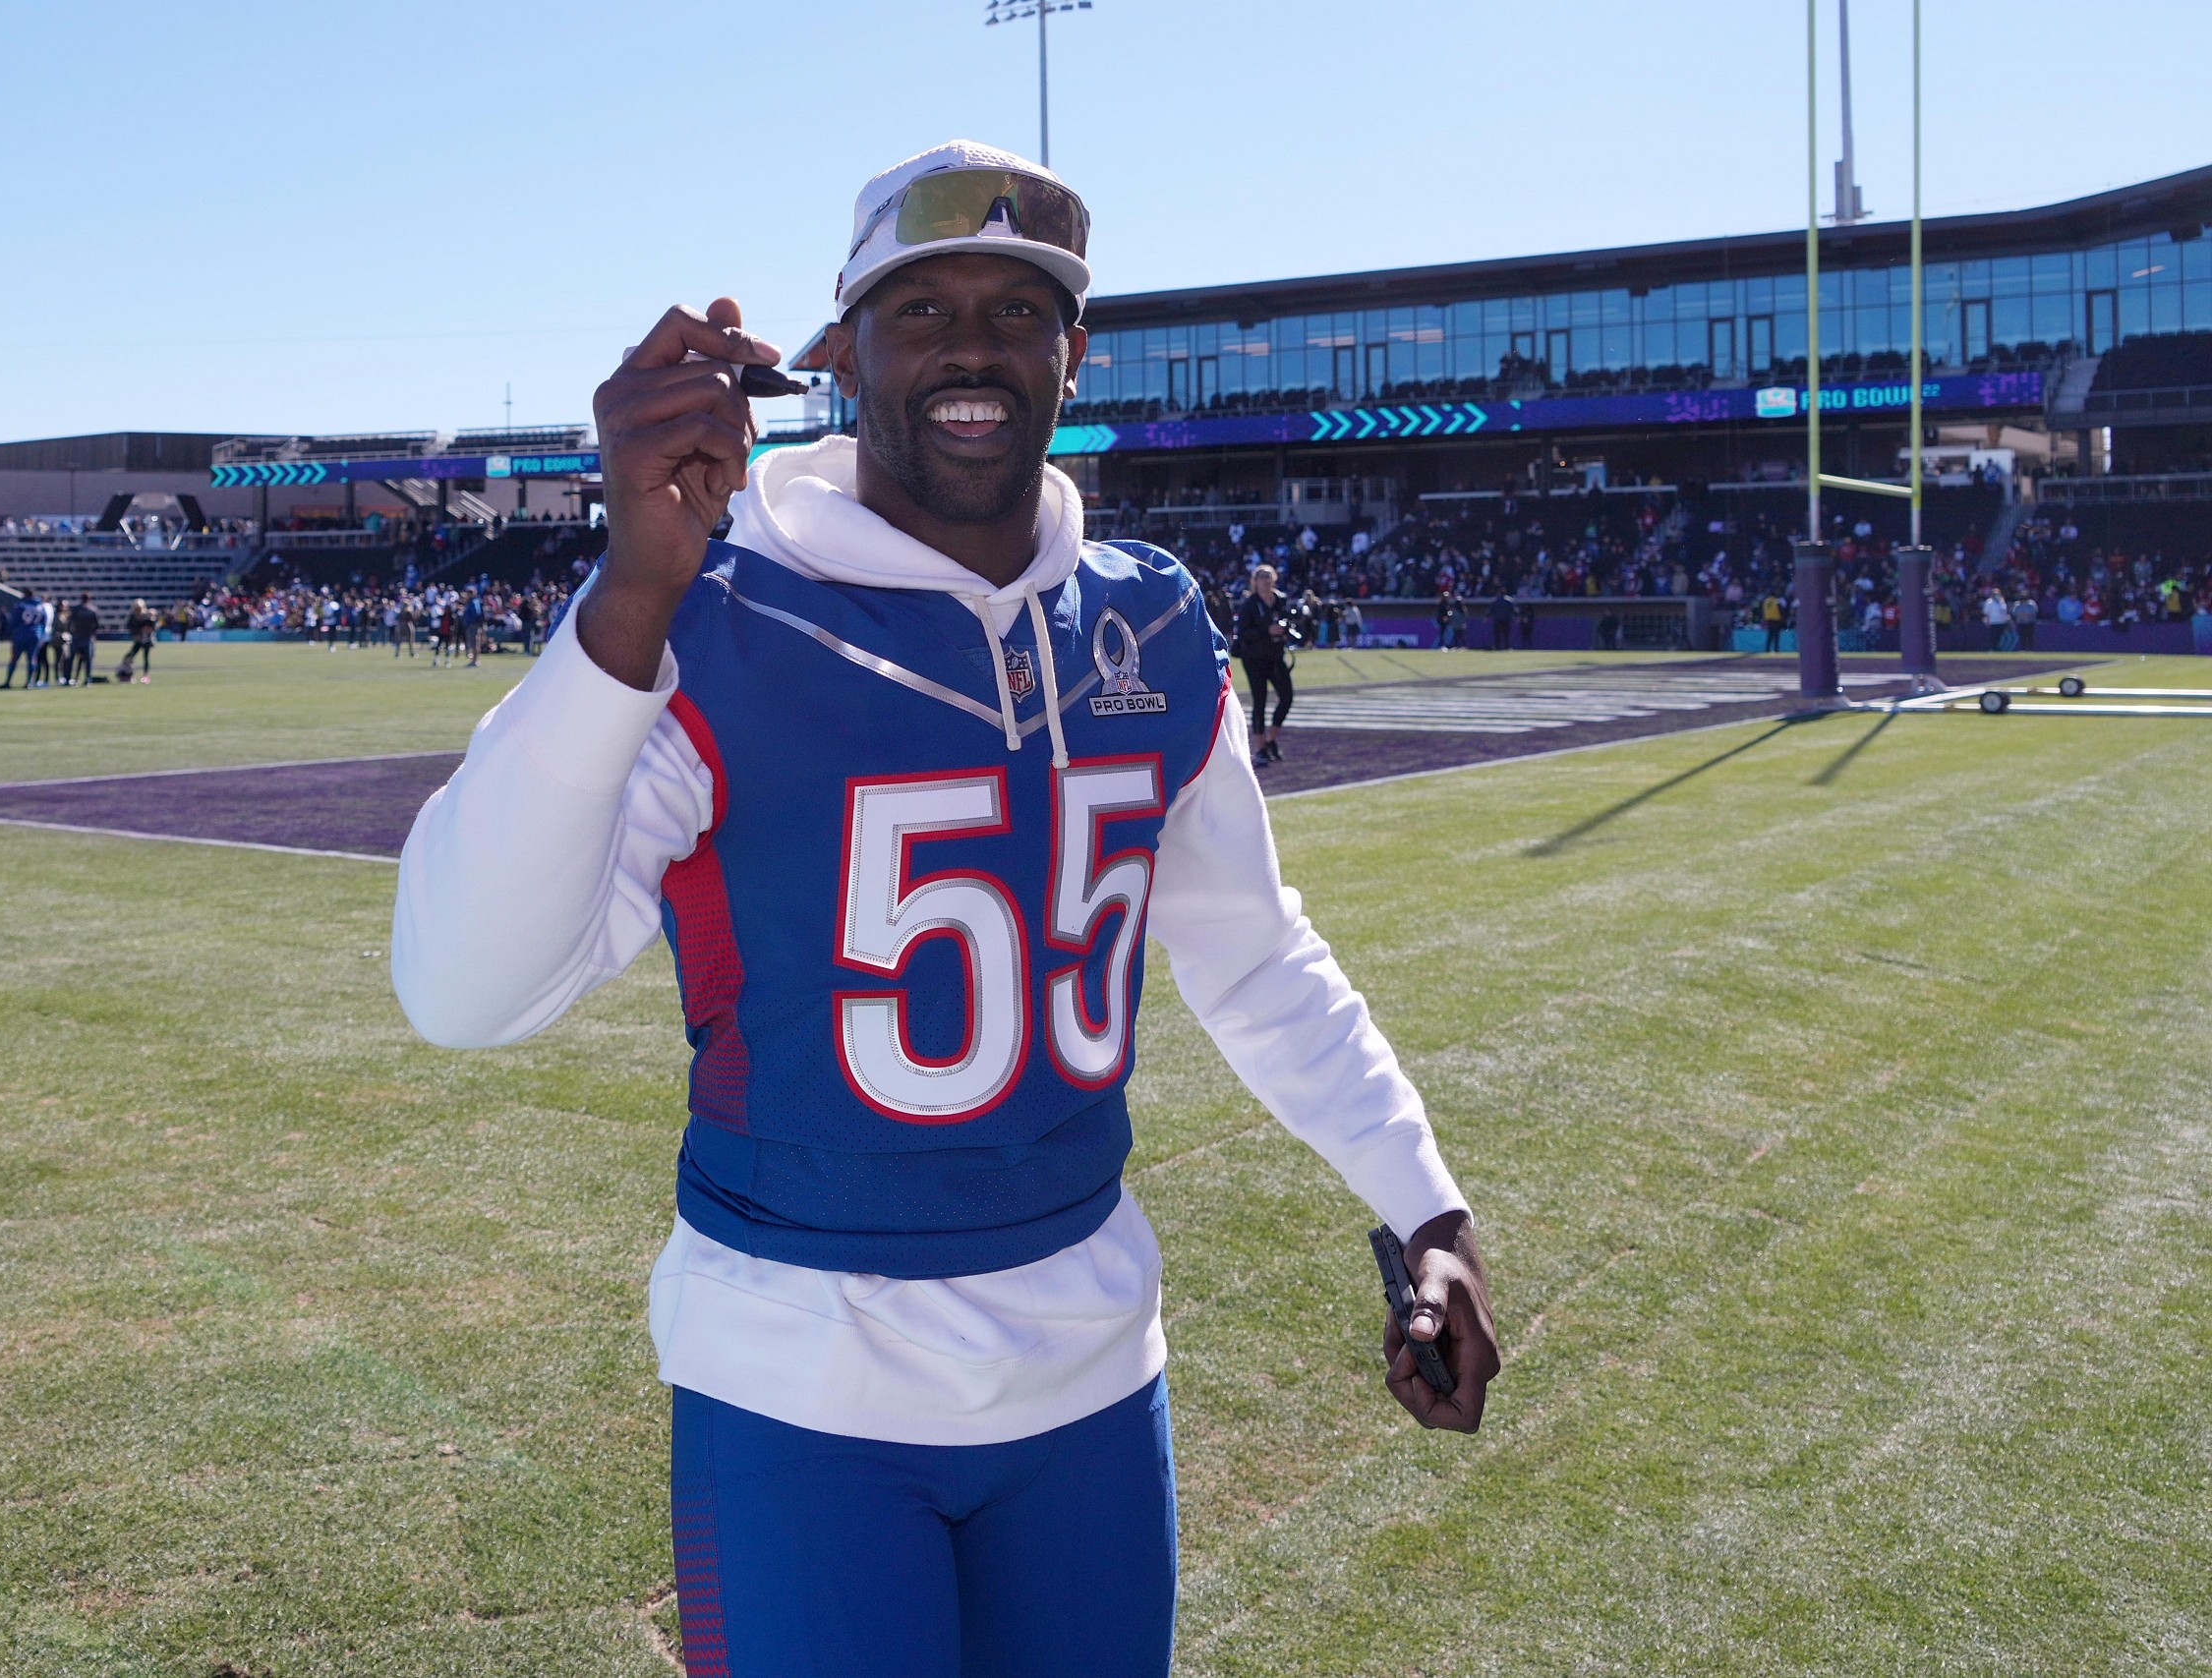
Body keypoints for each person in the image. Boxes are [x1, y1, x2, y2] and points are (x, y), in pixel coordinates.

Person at [391, 141, 1496, 1678]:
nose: (971, 342)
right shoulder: (712, 615)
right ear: (841, 353)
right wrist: (626, 595)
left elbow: (1253, 953)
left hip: (1096, 1378)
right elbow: (461, 986)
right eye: (920, 309)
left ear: (1073, 350)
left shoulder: (1155, 622)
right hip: (801, 1391)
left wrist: (1424, 1202)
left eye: (1016, 306)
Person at [1232, 562, 1296, 766]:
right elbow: (1242, 634)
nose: (1266, 581)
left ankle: (1271, 738)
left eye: (1269, 577)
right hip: (1255, 658)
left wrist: (1285, 630)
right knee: (1259, 701)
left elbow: (1289, 621)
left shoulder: (1281, 600)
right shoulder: (1250, 604)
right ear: (1255, 582)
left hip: (1276, 656)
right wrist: (1266, 631)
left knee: (1287, 697)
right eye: (1262, 577)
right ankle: (1260, 747)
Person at [68, 592, 100, 684]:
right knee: (88, 660)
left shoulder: (76, 609)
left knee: (71, 659)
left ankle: (68, 678)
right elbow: (96, 625)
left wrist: (72, 633)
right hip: (88, 637)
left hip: (77, 636)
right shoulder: (93, 610)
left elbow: (71, 622)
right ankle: (88, 679)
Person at [125, 598, 156, 683]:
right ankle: (129, 675)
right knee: (130, 657)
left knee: (145, 657)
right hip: (138, 639)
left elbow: (152, 627)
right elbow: (130, 627)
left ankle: (145, 676)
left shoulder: (148, 616)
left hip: (146, 639)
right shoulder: (133, 617)